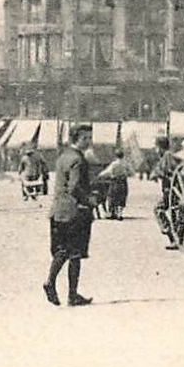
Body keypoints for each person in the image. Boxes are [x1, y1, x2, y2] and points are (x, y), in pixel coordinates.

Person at [44, 125, 94, 306]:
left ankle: (50, 282)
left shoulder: (63, 156)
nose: (89, 141)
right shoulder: (78, 159)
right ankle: (72, 295)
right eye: (85, 138)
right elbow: (74, 187)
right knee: (76, 254)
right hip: (75, 212)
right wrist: (89, 200)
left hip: (58, 211)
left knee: (62, 250)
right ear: (76, 139)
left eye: (89, 138)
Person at [95, 149, 132, 220]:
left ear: (115, 156)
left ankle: (112, 213)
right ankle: (120, 214)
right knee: (122, 197)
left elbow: (107, 172)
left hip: (115, 181)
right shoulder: (126, 164)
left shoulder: (114, 164)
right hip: (123, 182)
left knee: (112, 196)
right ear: (123, 156)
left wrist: (99, 175)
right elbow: (131, 172)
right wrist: (125, 174)